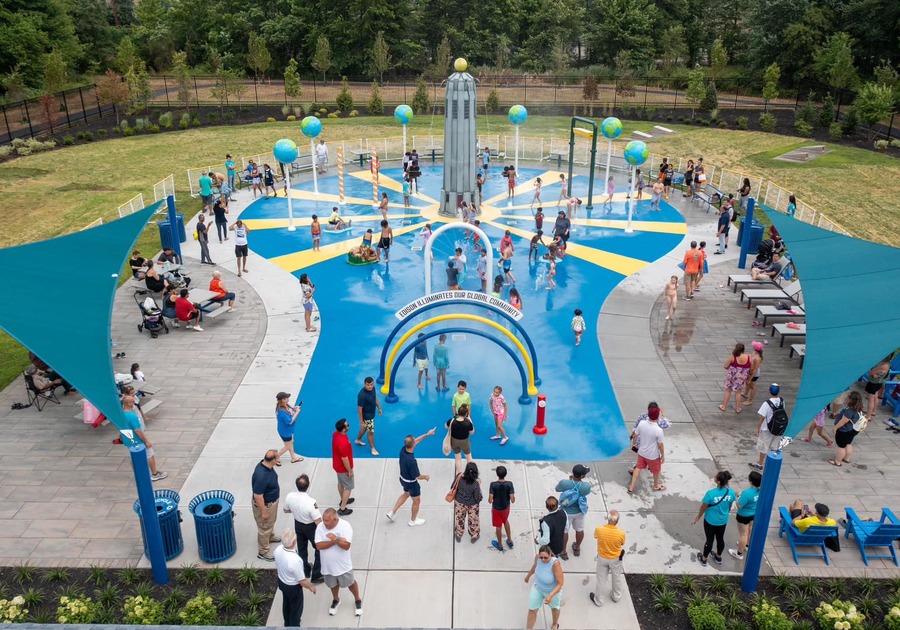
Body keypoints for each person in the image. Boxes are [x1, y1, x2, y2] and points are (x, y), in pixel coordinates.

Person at [315, 508, 363, 618]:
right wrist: (335, 541)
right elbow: (318, 546)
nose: (324, 523)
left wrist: (335, 539)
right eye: (323, 520)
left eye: (327, 520)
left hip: (343, 566)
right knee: (333, 584)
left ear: (335, 519)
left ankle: (357, 600)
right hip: (328, 566)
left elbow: (346, 546)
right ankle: (336, 600)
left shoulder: (345, 526)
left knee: (350, 583)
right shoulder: (320, 527)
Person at [386, 428, 437, 526]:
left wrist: (427, 434)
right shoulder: (412, 461)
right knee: (416, 501)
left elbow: (417, 440)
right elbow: (417, 476)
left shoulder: (403, 450)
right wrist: (425, 476)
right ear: (413, 444)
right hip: (411, 484)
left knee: (405, 494)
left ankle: (392, 512)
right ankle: (413, 521)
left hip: (402, 479)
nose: (416, 441)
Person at [282, 475, 325, 585]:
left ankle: (305, 570)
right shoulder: (311, 502)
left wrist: (297, 511)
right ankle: (316, 574)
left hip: (298, 524)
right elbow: (318, 521)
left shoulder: (290, 496)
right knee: (319, 549)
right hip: (311, 527)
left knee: (301, 548)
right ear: (308, 485)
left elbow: (286, 510)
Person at [274, 529, 318, 627]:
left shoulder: (278, 550)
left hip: (282, 582)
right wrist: (311, 587)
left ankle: (287, 623)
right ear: (294, 542)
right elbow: (302, 581)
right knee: (296, 609)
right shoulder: (295, 560)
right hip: (293, 587)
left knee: (286, 604)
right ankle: (294, 626)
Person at [119, 392, 167, 481]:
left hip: (128, 440)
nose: (134, 404)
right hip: (138, 440)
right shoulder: (131, 416)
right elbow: (137, 430)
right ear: (128, 403)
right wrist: (146, 441)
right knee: (150, 455)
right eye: (133, 402)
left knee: (134, 457)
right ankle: (154, 473)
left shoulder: (121, 415)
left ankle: (139, 474)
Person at [692, 470, 736, 567]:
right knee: (720, 539)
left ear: (718, 482)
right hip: (723, 521)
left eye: (716, 477)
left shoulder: (711, 494)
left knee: (709, 540)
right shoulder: (731, 492)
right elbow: (729, 505)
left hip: (710, 521)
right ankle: (718, 557)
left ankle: (704, 559)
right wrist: (725, 513)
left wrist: (698, 517)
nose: (714, 477)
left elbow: (703, 507)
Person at [555, 464, 591, 559]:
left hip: (565, 512)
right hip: (579, 512)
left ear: (573, 473)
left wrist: (570, 481)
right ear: (582, 476)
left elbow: (557, 489)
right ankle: (577, 547)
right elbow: (585, 492)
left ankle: (563, 551)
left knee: (564, 531)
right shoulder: (586, 486)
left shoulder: (564, 483)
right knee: (579, 529)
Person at [524, 544, 564, 630]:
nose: (543, 559)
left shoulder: (555, 564)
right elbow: (534, 567)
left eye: (545, 558)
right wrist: (528, 576)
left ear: (550, 555)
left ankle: (555, 624)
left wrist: (550, 595)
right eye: (541, 557)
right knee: (532, 609)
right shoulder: (538, 558)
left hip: (552, 591)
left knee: (554, 608)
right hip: (537, 588)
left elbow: (560, 583)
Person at [591, 511, 626, 607]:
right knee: (616, 577)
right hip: (615, 559)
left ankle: (598, 600)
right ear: (617, 521)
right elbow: (622, 543)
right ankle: (616, 596)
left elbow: (596, 536)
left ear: (608, 519)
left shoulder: (599, 529)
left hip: (602, 557)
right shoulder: (621, 533)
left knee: (601, 579)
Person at [627, 406, 665, 493]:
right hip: (653, 456)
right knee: (656, 471)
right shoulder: (658, 430)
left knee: (638, 468)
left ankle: (631, 487)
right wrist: (663, 455)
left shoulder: (642, 423)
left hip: (642, 452)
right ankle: (656, 486)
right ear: (657, 416)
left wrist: (635, 444)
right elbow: (661, 445)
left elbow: (636, 435)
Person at [252, 449, 281, 561]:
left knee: (270, 523)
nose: (278, 459)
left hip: (271, 503)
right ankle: (263, 552)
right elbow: (258, 496)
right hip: (265, 505)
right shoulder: (262, 476)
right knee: (265, 527)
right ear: (272, 460)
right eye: (277, 458)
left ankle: (271, 537)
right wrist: (263, 511)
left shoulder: (265, 464)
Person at [750, 384, 787, 471]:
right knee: (774, 446)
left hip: (767, 428)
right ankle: (773, 463)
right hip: (778, 428)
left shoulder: (767, 403)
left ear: (770, 391)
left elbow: (762, 417)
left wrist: (758, 427)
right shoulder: (782, 401)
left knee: (764, 446)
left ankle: (760, 464)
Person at [728, 471, 761, 561]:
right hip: (753, 514)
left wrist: (737, 497)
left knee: (743, 534)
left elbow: (739, 505)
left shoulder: (747, 493)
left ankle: (739, 553)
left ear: (750, 481)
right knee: (749, 530)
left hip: (743, 515)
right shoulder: (761, 491)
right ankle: (746, 545)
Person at [829, 390, 864, 467]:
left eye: (848, 397)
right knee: (848, 444)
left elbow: (843, 421)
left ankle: (838, 461)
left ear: (850, 399)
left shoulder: (849, 410)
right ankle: (846, 458)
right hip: (852, 430)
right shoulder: (858, 408)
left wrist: (835, 428)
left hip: (844, 431)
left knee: (841, 447)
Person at [452, 461, 483, 543]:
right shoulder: (475, 484)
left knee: (459, 518)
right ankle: (474, 535)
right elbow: (478, 498)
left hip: (460, 502)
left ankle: (458, 534)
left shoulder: (459, 477)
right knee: (473, 520)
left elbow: (453, 486)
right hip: (472, 504)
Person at [720, 343, 753, 413]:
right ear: (743, 349)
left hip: (731, 376)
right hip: (741, 378)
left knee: (728, 390)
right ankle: (737, 408)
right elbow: (751, 369)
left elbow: (726, 366)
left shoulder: (733, 356)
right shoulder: (749, 357)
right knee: (738, 392)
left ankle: (724, 406)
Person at [489, 466, 515, 552]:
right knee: (506, 521)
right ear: (505, 474)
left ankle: (500, 545)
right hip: (506, 508)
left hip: (496, 509)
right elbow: (512, 500)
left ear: (497, 474)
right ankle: (509, 540)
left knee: (498, 526)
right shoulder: (509, 484)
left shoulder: (493, 485)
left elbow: (490, 500)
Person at [332, 419, 355, 516]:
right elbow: (344, 459)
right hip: (343, 468)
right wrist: (349, 471)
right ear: (344, 429)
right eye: (347, 425)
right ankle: (343, 508)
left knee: (341, 483)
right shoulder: (343, 443)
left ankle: (343, 499)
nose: (349, 425)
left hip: (337, 465)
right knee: (348, 487)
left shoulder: (336, 434)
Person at [354, 377, 382, 456]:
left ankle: (358, 440)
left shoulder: (373, 389)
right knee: (371, 432)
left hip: (372, 414)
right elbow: (359, 409)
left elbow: (374, 397)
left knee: (364, 428)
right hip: (367, 417)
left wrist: (379, 407)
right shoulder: (362, 395)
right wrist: (361, 422)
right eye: (368, 385)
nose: (370, 386)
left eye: (371, 384)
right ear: (364, 384)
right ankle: (373, 448)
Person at [274, 392, 303, 465]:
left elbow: (291, 409)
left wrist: (294, 408)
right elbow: (289, 422)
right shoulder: (281, 411)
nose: (288, 399)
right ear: (283, 400)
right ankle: (276, 456)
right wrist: (297, 412)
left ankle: (293, 457)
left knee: (290, 442)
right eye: (286, 398)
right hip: (285, 431)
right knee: (288, 445)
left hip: (287, 430)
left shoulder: (285, 405)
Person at [446, 403, 475, 473]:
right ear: (466, 414)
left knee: (458, 457)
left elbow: (446, 427)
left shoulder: (452, 420)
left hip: (454, 441)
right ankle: (471, 473)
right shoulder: (468, 423)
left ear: (458, 412)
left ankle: (459, 473)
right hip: (465, 442)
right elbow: (472, 432)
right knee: (468, 457)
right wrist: (470, 420)